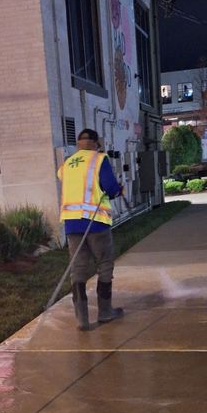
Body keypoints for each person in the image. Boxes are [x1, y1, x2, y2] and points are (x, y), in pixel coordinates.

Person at [57, 128, 124, 330]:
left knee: (77, 269)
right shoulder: (98, 159)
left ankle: (82, 320)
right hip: (96, 222)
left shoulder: (67, 164)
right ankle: (104, 313)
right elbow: (110, 187)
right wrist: (118, 190)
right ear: (95, 143)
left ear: (78, 144)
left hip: (71, 223)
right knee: (104, 264)